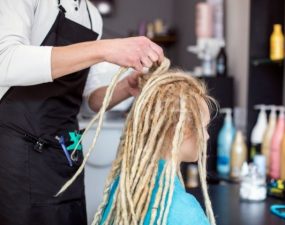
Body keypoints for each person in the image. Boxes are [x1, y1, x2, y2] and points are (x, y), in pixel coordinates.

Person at [0, 0, 164, 225]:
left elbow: (87, 101)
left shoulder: (92, 15)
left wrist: (127, 87)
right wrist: (105, 49)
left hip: (66, 153)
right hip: (18, 155)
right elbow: (5, 61)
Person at [92, 69, 217, 225]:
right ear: (183, 131)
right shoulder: (185, 213)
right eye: (204, 128)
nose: (207, 136)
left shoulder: (123, 188)